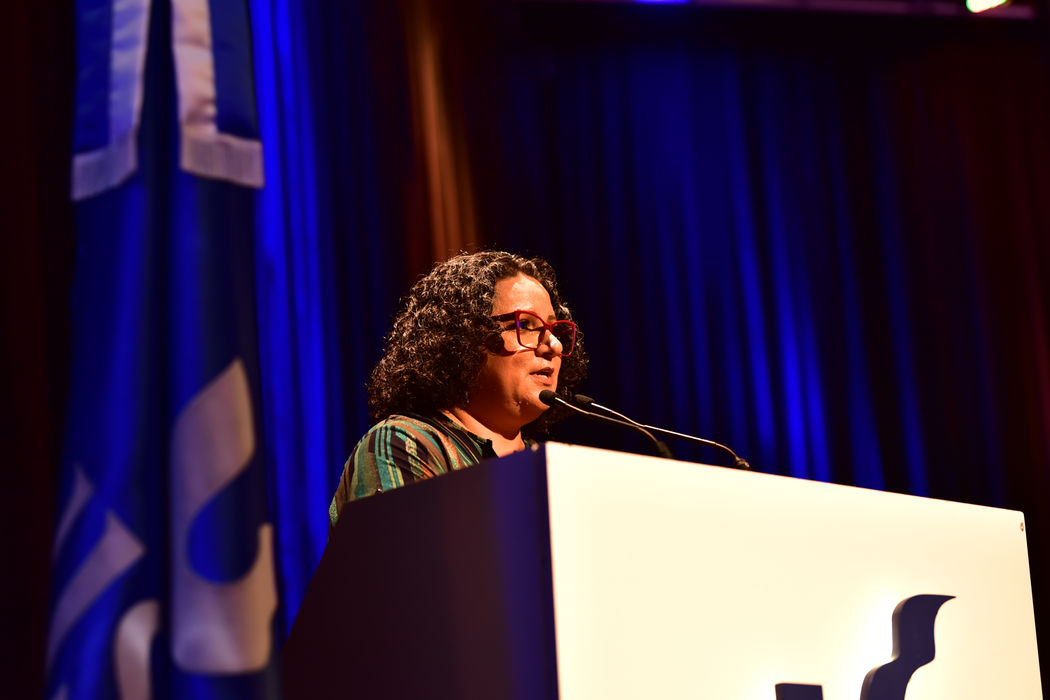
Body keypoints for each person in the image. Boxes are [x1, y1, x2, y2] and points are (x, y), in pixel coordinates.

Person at [328, 251, 587, 528]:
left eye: (554, 330)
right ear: (463, 339)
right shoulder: (406, 444)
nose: (554, 346)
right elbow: (404, 566)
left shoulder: (554, 467)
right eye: (525, 325)